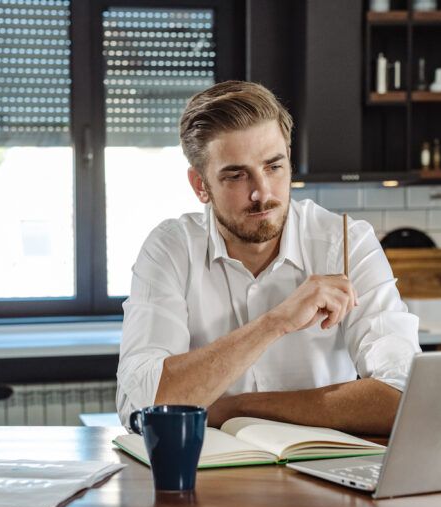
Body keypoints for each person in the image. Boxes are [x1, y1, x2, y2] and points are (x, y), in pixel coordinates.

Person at [115, 81, 420, 435]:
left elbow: (404, 395)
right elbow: (139, 405)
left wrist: (235, 409)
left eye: (274, 167)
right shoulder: (170, 249)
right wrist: (275, 322)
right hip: (205, 475)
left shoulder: (346, 242)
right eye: (236, 175)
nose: (262, 193)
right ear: (200, 185)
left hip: (321, 471)